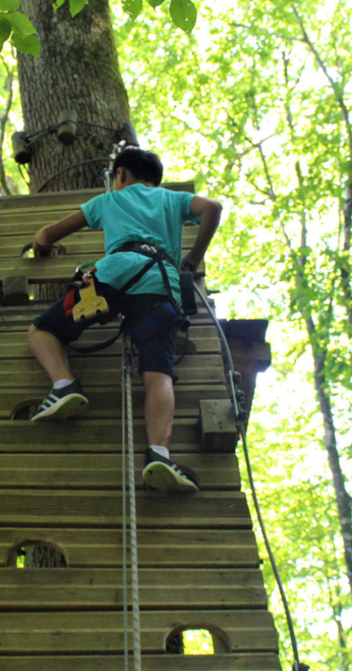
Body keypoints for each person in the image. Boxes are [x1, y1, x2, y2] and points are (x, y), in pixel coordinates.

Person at [27, 147, 222, 492]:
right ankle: (159, 454)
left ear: (120, 175)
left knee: (42, 331)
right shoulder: (172, 200)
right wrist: (192, 258)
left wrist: (40, 246)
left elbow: (48, 234)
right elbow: (213, 208)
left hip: (111, 278)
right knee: (158, 373)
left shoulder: (107, 201)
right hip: (162, 287)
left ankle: (64, 385)